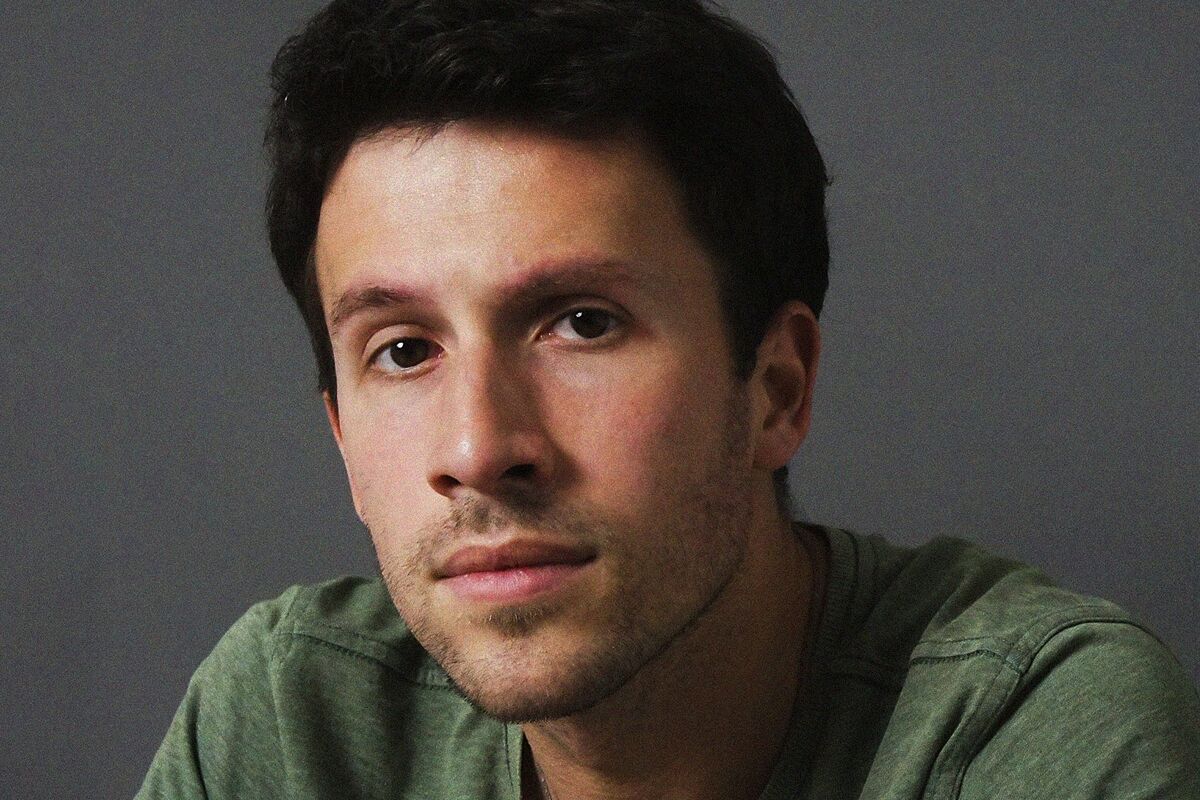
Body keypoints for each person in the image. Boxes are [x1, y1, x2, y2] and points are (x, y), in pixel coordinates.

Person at [138, 1, 1200, 797]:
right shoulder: (294, 726)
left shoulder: (1024, 730)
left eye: (582, 323)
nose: (477, 445)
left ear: (775, 389)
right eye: (404, 349)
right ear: (339, 434)